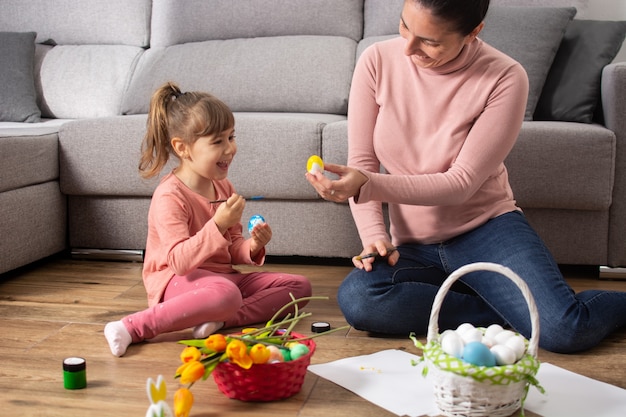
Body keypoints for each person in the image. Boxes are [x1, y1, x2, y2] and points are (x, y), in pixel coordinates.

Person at [306, 0, 626, 353]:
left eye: (430, 41)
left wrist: (368, 185)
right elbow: (362, 161)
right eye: (405, 27)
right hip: (414, 246)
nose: (409, 48)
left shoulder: (505, 77)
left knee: (566, 331)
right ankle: (509, 311)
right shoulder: (377, 60)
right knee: (361, 299)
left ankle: (539, 310)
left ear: (473, 32)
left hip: (487, 232)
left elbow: (460, 183)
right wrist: (374, 237)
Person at [105, 82, 312, 357]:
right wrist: (218, 224)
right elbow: (179, 262)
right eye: (218, 141)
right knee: (226, 294)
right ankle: (133, 326)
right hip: (178, 282)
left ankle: (221, 319)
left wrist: (251, 246)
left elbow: (231, 247)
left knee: (299, 287)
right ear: (183, 148)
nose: (230, 148)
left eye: (231, 137)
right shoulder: (170, 196)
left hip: (222, 279)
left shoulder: (223, 187)